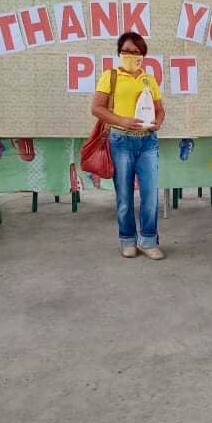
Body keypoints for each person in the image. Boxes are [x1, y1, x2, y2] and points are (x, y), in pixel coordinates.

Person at [92, 32, 166, 260]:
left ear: (143, 55)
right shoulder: (110, 76)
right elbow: (97, 108)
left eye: (136, 52)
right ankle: (127, 240)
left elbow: (160, 108)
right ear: (119, 53)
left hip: (147, 142)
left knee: (150, 194)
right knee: (124, 194)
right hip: (120, 140)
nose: (131, 55)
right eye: (126, 51)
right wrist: (123, 121)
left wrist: (158, 122)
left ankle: (148, 240)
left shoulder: (149, 79)